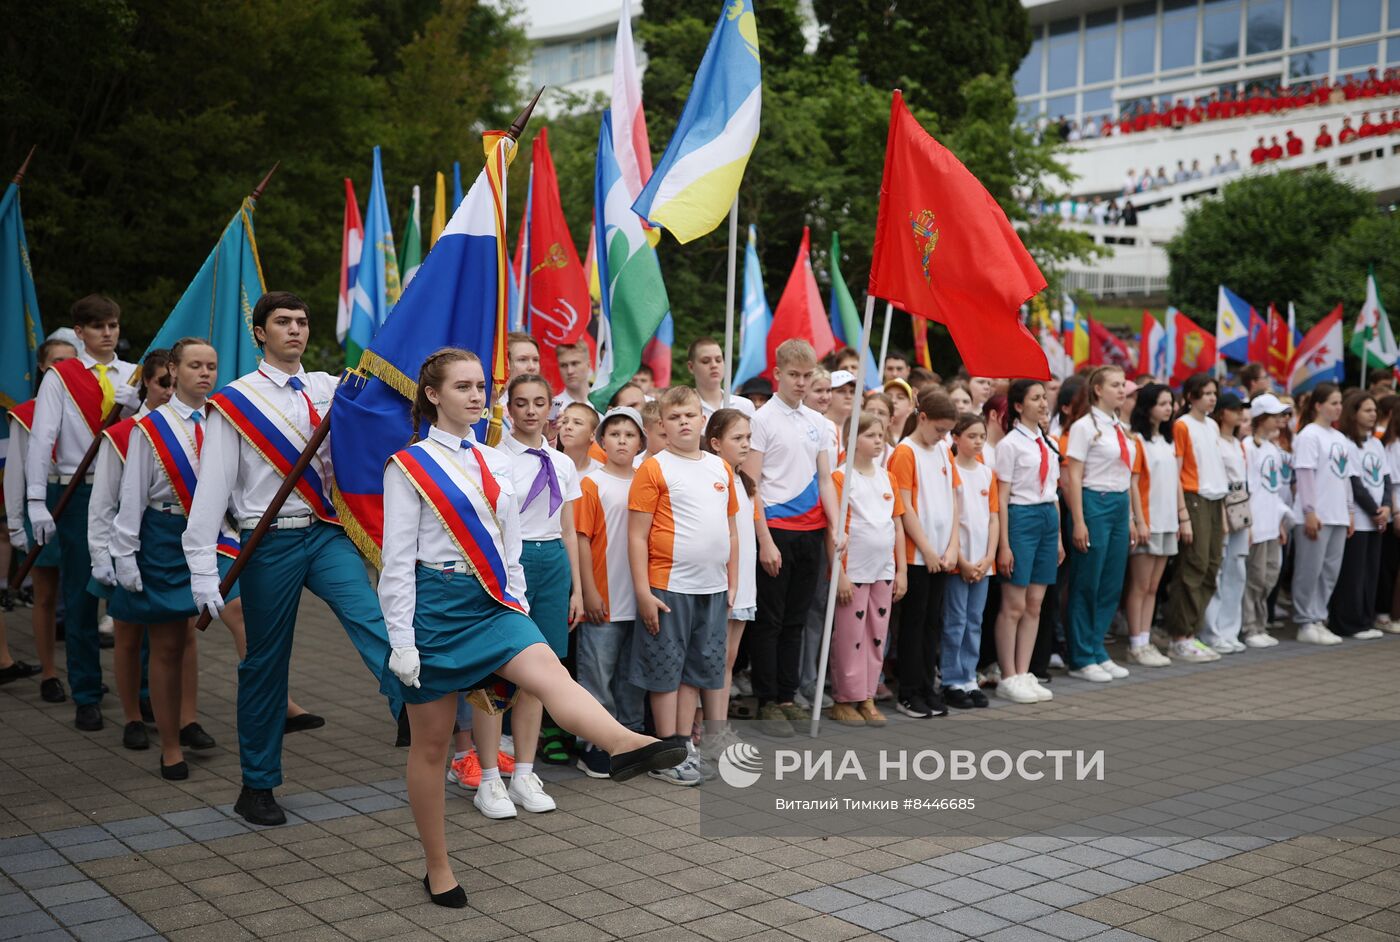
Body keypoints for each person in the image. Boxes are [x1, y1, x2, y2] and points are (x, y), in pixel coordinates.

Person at [379, 348, 686, 909]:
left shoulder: (496, 462)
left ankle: (625, 744)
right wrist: (401, 640)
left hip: (494, 603)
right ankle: (437, 867)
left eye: (480, 387)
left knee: (550, 673)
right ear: (433, 395)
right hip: (437, 611)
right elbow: (396, 561)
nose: (476, 396)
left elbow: (509, 545)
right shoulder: (408, 466)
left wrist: (516, 603)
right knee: (428, 746)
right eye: (463, 387)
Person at [183, 291, 400, 826]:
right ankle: (256, 785)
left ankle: (412, 709)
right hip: (267, 540)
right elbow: (211, 491)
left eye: (302, 322)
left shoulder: (331, 387)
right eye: (282, 322)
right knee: (265, 663)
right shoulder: (234, 403)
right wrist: (202, 570)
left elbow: (388, 402)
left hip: (325, 534)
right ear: (260, 333)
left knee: (374, 619)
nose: (295, 330)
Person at [109, 338, 227, 779]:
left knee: (191, 638)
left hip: (211, 535)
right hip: (162, 536)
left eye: (211, 366)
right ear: (173, 370)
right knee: (166, 645)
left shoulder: (221, 420)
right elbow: (132, 496)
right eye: (195, 365)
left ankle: (187, 720)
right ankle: (171, 747)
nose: (205, 374)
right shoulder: (150, 428)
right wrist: (124, 554)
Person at [26, 295, 141, 731]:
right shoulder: (61, 376)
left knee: (135, 594)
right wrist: (37, 500)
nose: (108, 333)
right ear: (80, 332)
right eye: (97, 327)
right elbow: (42, 438)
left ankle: (143, 692)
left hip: (129, 492)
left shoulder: (134, 375)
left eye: (112, 325)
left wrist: (136, 406)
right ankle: (87, 694)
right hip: (79, 493)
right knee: (81, 597)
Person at [483, 372, 585, 814]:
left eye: (539, 402)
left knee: (541, 673)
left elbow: (567, 527)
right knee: (496, 670)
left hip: (553, 565)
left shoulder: (561, 462)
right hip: (511, 562)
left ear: (551, 409)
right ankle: (490, 776)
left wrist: (577, 588)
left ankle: (524, 771)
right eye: (520, 402)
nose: (529, 411)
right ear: (509, 407)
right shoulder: (493, 459)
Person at [629, 386, 738, 783]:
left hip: (712, 587)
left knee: (695, 669)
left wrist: (733, 581)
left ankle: (683, 744)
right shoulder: (654, 467)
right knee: (664, 670)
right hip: (668, 586)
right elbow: (637, 535)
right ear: (662, 424)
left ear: (702, 417)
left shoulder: (718, 467)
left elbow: (731, 529)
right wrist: (643, 590)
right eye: (674, 418)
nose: (683, 422)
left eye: (689, 415)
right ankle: (666, 751)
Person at [744, 339, 841, 738]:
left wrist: (836, 527)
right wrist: (764, 540)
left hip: (811, 531)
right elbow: (752, 483)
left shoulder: (817, 422)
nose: (801, 383)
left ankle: (787, 697)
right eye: (795, 375)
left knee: (797, 621)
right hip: (776, 530)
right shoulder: (762, 419)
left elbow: (825, 480)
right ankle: (767, 701)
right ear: (778, 373)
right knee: (770, 620)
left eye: (807, 376)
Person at [89, 351, 173, 749]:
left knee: (174, 639)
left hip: (167, 544)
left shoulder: (193, 428)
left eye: (175, 382)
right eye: (162, 383)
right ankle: (132, 717)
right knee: (128, 637)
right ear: (145, 386)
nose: (170, 391)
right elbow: (103, 503)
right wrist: (102, 557)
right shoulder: (124, 434)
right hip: (127, 544)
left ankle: (170, 711)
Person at [573, 407, 649, 778]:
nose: (622, 440)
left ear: (641, 443)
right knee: (596, 676)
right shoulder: (592, 483)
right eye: (614, 433)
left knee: (631, 676)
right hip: (604, 597)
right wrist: (588, 591)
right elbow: (582, 540)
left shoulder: (647, 481)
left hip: (639, 600)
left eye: (629, 434)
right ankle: (594, 744)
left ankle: (631, 738)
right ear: (601, 440)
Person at [6, 339, 79, 701]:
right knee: (46, 592)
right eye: (57, 362)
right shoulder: (27, 413)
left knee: (82, 593)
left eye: (71, 361)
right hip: (47, 496)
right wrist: (17, 523)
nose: (65, 367)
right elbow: (17, 470)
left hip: (77, 497)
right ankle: (50, 672)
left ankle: (84, 672)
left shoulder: (90, 407)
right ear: (43, 368)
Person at [829, 413, 905, 725]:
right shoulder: (840, 478)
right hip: (854, 570)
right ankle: (845, 696)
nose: (878, 441)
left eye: (881, 435)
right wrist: (840, 573)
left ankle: (868, 693)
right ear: (852, 439)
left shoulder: (888, 477)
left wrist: (900, 570)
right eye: (871, 435)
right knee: (850, 634)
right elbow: (832, 530)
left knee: (877, 633)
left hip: (883, 570)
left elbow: (897, 523)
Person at [889, 389, 960, 718]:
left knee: (934, 623)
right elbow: (904, 508)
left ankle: (927, 687)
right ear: (922, 418)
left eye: (947, 431)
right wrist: (928, 550)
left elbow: (954, 498)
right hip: (917, 555)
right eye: (939, 429)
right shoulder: (905, 452)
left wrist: (952, 546)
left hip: (941, 555)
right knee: (914, 625)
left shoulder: (944, 449)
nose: (943, 436)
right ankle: (908, 691)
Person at [1062, 366, 1135, 682]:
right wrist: (1078, 520)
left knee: (1111, 581)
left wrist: (1130, 516)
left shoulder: (1119, 425)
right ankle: (1080, 656)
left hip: (1119, 503)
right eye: (1115, 385)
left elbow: (1126, 474)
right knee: (1087, 579)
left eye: (1123, 385)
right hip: (1094, 501)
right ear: (1097, 390)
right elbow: (1074, 475)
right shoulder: (1083, 426)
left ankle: (1097, 648)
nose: (1122, 390)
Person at [992, 381, 1060, 704]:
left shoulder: (1046, 442)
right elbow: (1002, 498)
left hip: (1047, 517)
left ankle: (1024, 670)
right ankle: (1007, 674)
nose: (1043, 403)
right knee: (1014, 604)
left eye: (1044, 398)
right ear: (1019, 406)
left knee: (1035, 602)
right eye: (1036, 398)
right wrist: (1004, 544)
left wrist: (1058, 535)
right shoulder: (1010, 445)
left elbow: (1053, 490)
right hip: (1021, 517)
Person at [703, 408, 757, 754]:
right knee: (712, 658)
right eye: (738, 438)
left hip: (744, 582)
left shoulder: (741, 479)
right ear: (715, 442)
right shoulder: (713, 477)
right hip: (721, 581)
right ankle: (703, 729)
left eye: (749, 438)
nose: (746, 445)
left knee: (728, 659)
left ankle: (717, 729)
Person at [1163, 374, 1226, 663]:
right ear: (1191, 396)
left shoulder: (1212, 425)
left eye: (1214, 393)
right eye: (1205, 393)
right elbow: (1175, 472)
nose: (1212, 398)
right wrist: (1182, 514)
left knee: (1212, 566)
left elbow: (1218, 470)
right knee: (1193, 566)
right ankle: (1179, 636)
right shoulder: (1182, 425)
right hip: (1194, 498)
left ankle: (1193, 631)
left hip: (1214, 501)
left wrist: (1222, 514)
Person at [1289, 383, 1351, 646]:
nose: (1338, 408)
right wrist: (1310, 511)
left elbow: (1345, 477)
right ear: (1317, 405)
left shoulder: (1339, 438)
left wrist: (1349, 511)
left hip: (1337, 514)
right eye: (1333, 403)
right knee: (1309, 569)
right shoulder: (1309, 435)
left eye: (1340, 403)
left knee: (1329, 571)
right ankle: (1305, 621)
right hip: (1315, 515)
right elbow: (1304, 476)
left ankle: (1318, 617)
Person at [942, 413, 995, 710]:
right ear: (956, 438)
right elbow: (952, 518)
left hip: (982, 562)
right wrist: (961, 560)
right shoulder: (950, 471)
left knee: (974, 621)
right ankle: (951, 678)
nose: (977, 442)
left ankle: (969, 676)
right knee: (955, 621)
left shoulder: (987, 473)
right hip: (957, 562)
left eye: (982, 436)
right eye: (971, 436)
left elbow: (994, 518)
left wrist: (988, 557)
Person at [1331, 390, 1390, 639]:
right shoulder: (1346, 442)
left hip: (1377, 520)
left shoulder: (1376, 443)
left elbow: (1385, 479)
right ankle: (1348, 622)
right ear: (1353, 413)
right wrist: (1375, 511)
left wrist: (1386, 506)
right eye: (1367, 410)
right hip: (1359, 518)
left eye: (1374, 410)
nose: (1373, 414)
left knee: (1370, 572)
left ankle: (1365, 620)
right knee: (1353, 574)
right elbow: (1354, 482)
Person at [1124, 383, 1176, 666]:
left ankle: (1145, 638)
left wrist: (1181, 517)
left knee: (1154, 586)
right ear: (1148, 407)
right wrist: (1139, 520)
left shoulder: (1167, 440)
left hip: (1167, 520)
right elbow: (1133, 482)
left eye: (1170, 403)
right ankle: (1136, 643)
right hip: (1149, 520)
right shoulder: (1137, 440)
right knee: (1140, 585)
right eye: (1162, 403)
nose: (1168, 409)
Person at [1199, 394, 1250, 654]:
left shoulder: (1238, 443)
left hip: (1240, 504)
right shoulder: (1215, 440)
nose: (1240, 414)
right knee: (1217, 569)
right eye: (1234, 409)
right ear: (1221, 413)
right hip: (1222, 503)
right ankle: (1211, 630)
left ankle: (1230, 629)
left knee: (1237, 569)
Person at [1242, 395, 1291, 647]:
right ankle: (1250, 627)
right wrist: (1247, 523)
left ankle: (1260, 624)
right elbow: (1247, 489)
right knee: (1255, 577)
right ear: (1261, 418)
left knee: (1270, 575)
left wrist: (1281, 521)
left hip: (1272, 524)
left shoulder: (1273, 449)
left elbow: (1275, 491)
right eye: (1275, 416)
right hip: (1256, 524)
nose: (1280, 420)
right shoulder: (1248, 446)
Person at [688, 337, 754, 419]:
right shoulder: (684, 408)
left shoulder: (744, 406)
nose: (714, 365)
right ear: (691, 367)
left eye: (718, 360)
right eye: (706, 361)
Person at [551, 341, 597, 418]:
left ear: (588, 365)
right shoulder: (555, 405)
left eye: (575, 363)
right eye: (563, 365)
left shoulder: (601, 402)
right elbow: (549, 429)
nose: (570, 371)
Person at [556, 402, 600, 474]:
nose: (568, 427)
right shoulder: (547, 466)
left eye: (577, 423)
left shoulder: (601, 473)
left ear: (593, 434)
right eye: (564, 422)